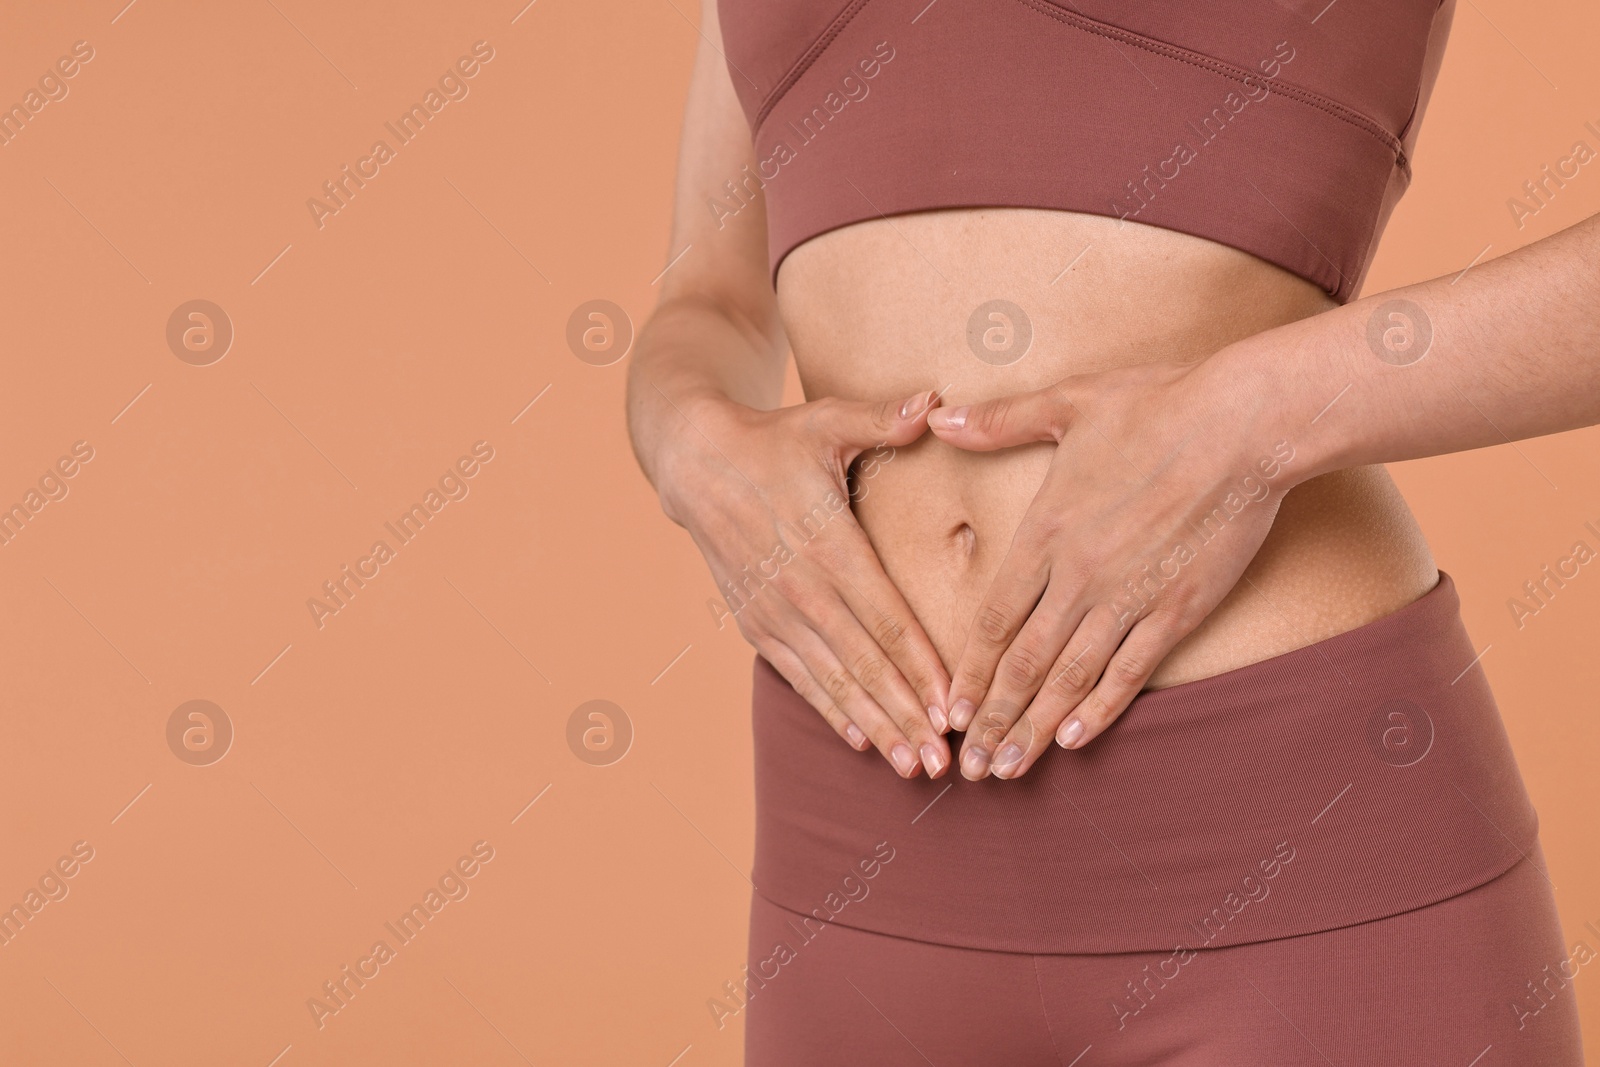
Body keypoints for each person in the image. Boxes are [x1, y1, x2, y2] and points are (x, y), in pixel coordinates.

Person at [626, 0, 1594, 1061]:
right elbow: (713, 293)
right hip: (857, 851)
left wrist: (1264, 413)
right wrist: (686, 434)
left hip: (1293, 846)